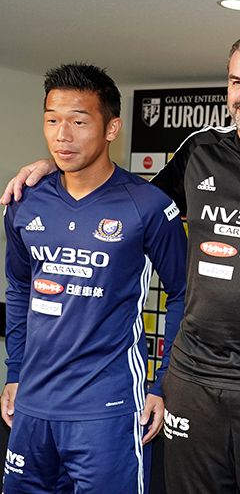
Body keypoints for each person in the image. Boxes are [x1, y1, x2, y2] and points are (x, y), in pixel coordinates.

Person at [2, 32, 240, 493]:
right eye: (237, 81)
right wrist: (59, 166)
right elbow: (124, 202)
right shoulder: (200, 151)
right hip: (195, 377)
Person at [1, 63, 187, 493]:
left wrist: (163, 385)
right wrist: (14, 372)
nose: (62, 135)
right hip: (33, 404)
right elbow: (20, 288)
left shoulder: (147, 206)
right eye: (52, 120)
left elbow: (184, 294)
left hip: (109, 407)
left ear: (111, 128)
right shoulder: (23, 202)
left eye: (79, 121)